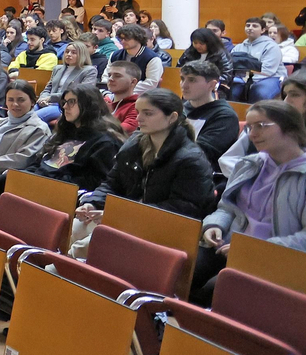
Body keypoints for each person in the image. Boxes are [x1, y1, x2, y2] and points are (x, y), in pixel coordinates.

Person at [194, 101, 306, 305]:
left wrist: (252, 249)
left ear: (292, 129)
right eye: (250, 127)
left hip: (280, 259)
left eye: (261, 125)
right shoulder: (250, 164)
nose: (252, 134)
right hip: (231, 246)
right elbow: (227, 207)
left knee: (216, 290)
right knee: (187, 268)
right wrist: (214, 225)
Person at [76, 90, 216, 253]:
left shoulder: (190, 159)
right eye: (137, 112)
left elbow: (180, 211)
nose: (138, 118)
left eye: (147, 113)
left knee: (83, 247)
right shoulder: (134, 145)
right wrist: (92, 203)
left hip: (162, 230)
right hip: (131, 218)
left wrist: (117, 214)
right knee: (74, 228)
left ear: (172, 117)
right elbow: (112, 183)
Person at [220, 72, 306, 186]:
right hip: (245, 196)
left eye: (294, 95)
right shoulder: (263, 126)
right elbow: (228, 160)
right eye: (285, 95)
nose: (286, 101)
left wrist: (266, 180)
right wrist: (254, 179)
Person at [25, 84, 125, 193]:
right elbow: (40, 160)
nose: (65, 107)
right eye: (64, 102)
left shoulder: (106, 142)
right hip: (39, 180)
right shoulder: (66, 130)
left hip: (61, 191)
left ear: (88, 105)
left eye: (71, 102)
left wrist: (46, 181)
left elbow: (94, 181)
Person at [179, 59, 239, 172]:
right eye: (182, 79)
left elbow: (201, 153)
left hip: (202, 174)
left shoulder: (225, 116)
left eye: (192, 80)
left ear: (212, 85)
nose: (184, 85)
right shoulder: (178, 109)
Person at [35, 40, 98, 123]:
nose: (69, 54)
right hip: (47, 102)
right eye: (67, 52)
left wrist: (50, 98)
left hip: (65, 105)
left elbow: (81, 93)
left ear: (82, 55)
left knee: (34, 119)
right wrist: (42, 99)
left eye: (73, 52)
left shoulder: (89, 70)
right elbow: (48, 87)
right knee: (24, 115)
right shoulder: (57, 68)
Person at [231, 16, 285, 102]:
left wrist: (249, 83)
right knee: (232, 92)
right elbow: (232, 65)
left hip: (270, 77)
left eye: (255, 26)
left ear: (263, 30)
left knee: (259, 93)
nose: (250, 28)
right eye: (248, 26)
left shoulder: (271, 46)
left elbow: (268, 70)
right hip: (244, 78)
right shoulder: (239, 47)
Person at [177, 27, 235, 97]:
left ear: (209, 43)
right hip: (190, 83)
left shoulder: (221, 53)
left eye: (201, 43)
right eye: (195, 43)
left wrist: (206, 82)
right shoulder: (189, 53)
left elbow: (226, 74)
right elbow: (179, 67)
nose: (198, 46)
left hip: (214, 86)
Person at [106, 23, 162, 95]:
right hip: (115, 94)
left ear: (138, 38)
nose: (123, 41)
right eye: (121, 38)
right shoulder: (114, 55)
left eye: (127, 38)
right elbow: (106, 76)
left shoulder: (153, 58)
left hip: (143, 97)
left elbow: (151, 83)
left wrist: (125, 90)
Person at [103, 60, 142, 133]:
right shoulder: (103, 101)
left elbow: (123, 131)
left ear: (133, 82)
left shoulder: (137, 106)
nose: (110, 79)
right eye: (109, 75)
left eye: (117, 76)